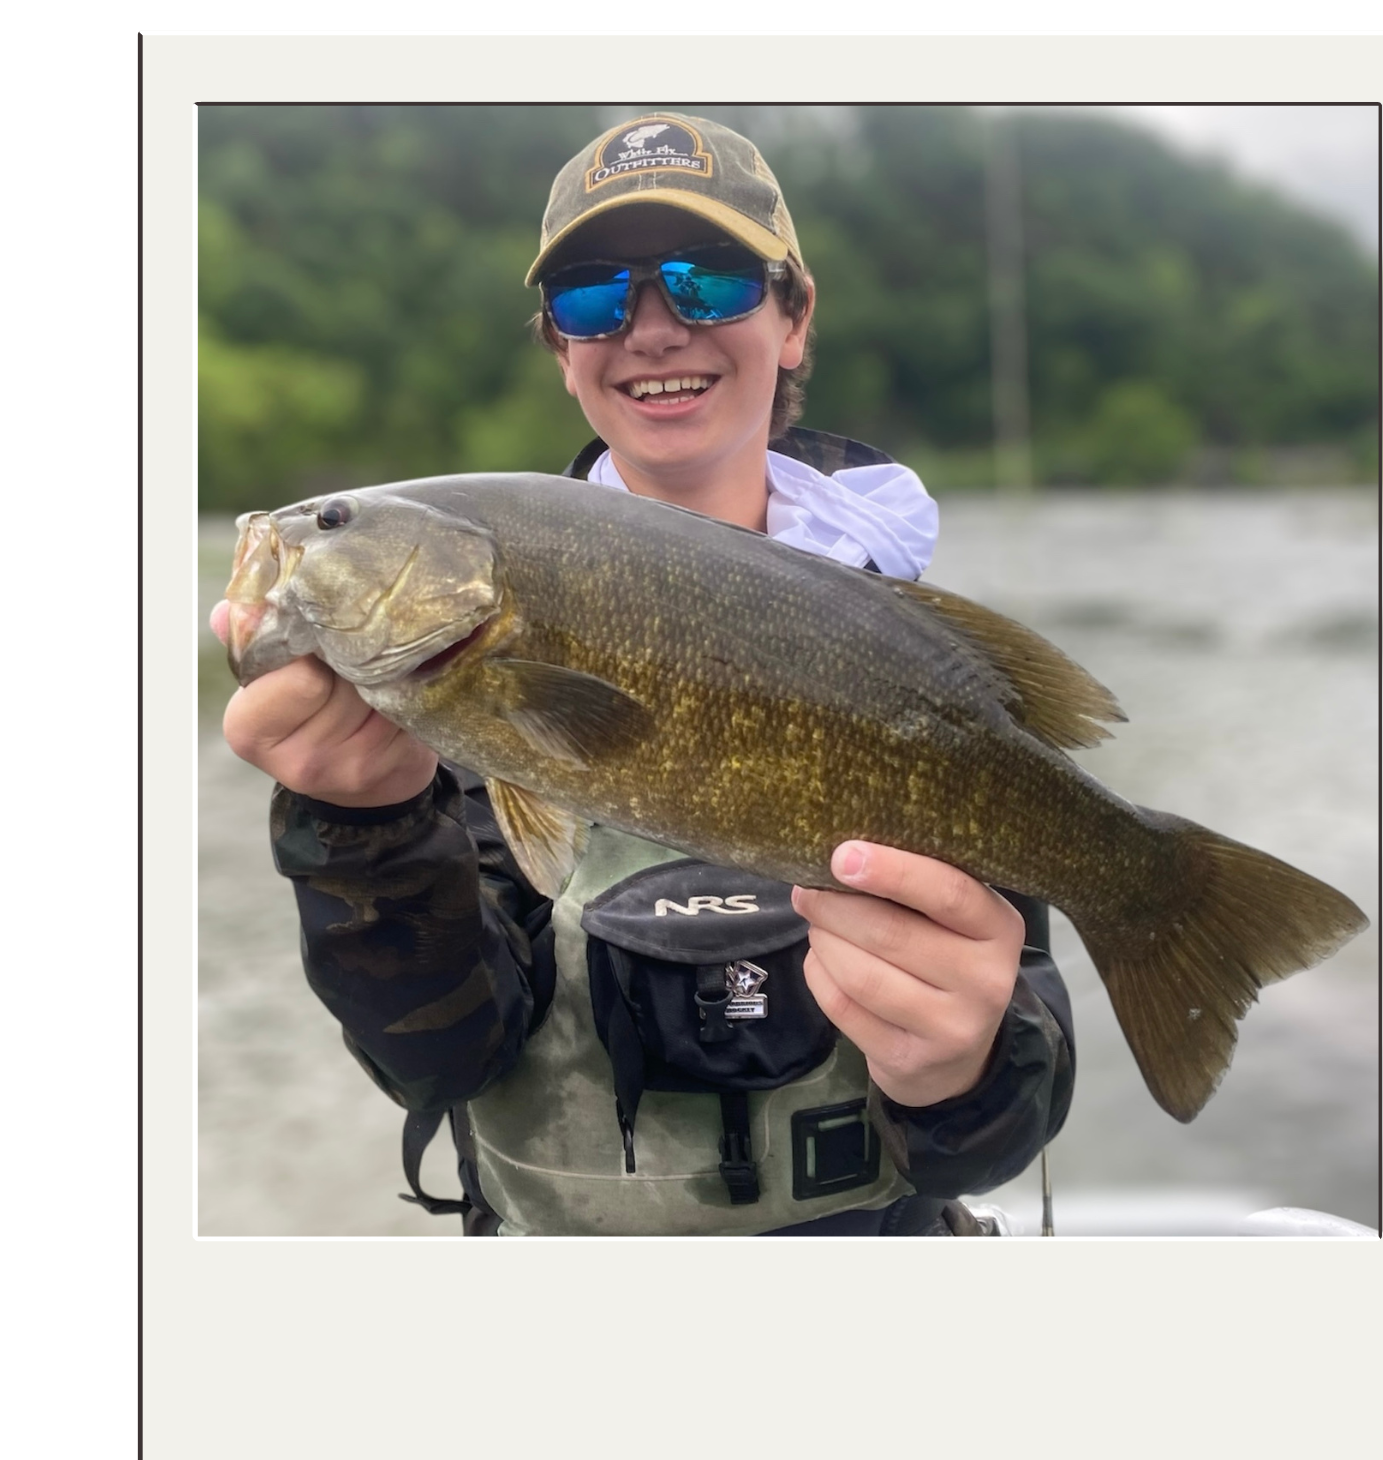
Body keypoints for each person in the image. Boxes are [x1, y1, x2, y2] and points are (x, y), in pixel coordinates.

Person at [213, 113, 1077, 1236]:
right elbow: (435, 1061)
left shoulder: (907, 649)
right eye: (591, 297)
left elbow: (998, 1137)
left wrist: (957, 1071)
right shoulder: (452, 690)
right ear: (559, 349)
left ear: (795, 316)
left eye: (708, 281)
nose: (652, 328)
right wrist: (358, 826)